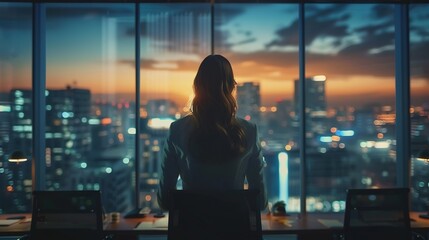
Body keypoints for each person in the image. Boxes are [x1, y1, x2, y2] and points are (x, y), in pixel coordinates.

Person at [157, 54, 267, 211]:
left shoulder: (177, 130)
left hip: (192, 231)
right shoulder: (249, 131)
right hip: (235, 230)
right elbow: (260, 202)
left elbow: (165, 201)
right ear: (231, 87)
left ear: (197, 86)